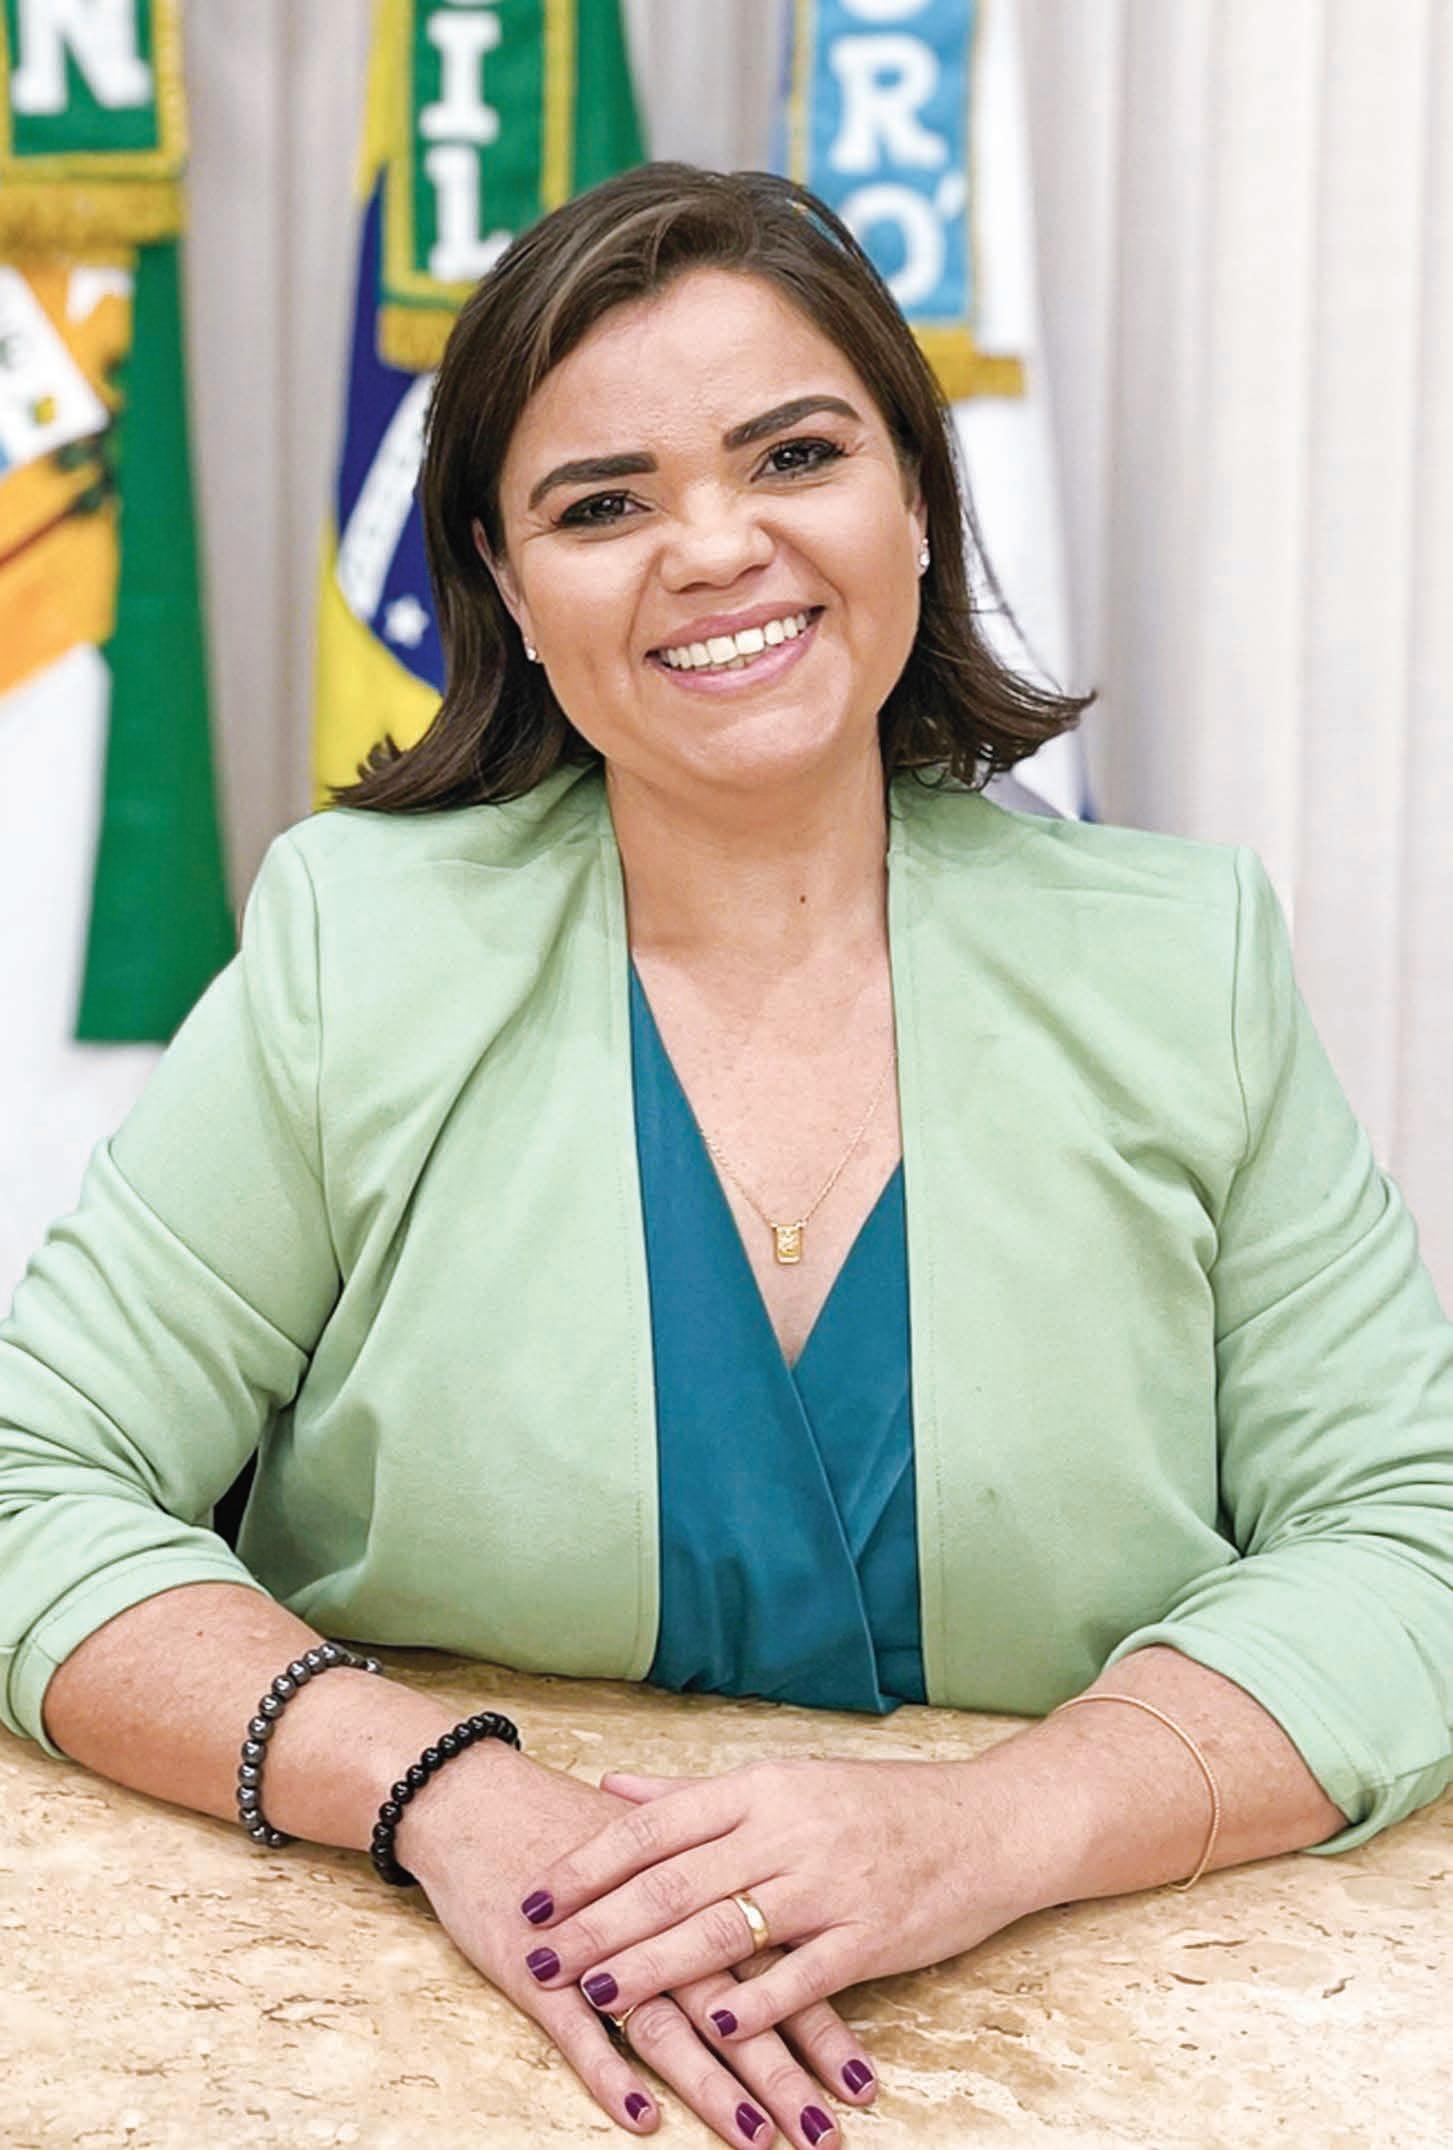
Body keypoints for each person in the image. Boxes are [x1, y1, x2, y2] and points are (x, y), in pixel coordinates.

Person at [3, 162, 1452, 2150]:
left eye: (794, 455)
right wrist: (440, 1791)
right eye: (601, 504)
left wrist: (994, 1825)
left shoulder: (1181, 958)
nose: (712, 545)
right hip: (408, 2044)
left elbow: (1405, 1529)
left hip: (1090, 2049)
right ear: (506, 586)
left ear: (914, 498)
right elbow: (33, 1472)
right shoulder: (357, 940)